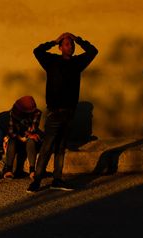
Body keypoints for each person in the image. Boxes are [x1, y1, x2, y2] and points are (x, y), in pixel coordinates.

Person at [29, 32, 97, 193]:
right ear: (60, 48)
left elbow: (93, 51)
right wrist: (54, 41)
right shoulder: (51, 61)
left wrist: (77, 39)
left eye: (71, 44)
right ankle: (36, 181)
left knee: (60, 148)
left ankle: (57, 179)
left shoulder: (77, 63)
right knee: (47, 147)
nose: (70, 47)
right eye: (67, 44)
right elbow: (37, 51)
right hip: (55, 112)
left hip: (69, 112)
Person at [2, 95, 42, 179]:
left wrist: (26, 133)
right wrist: (21, 137)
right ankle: (8, 170)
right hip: (17, 140)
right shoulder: (13, 113)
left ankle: (32, 170)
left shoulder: (36, 113)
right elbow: (11, 132)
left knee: (31, 140)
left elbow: (33, 130)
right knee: (12, 140)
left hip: (30, 142)